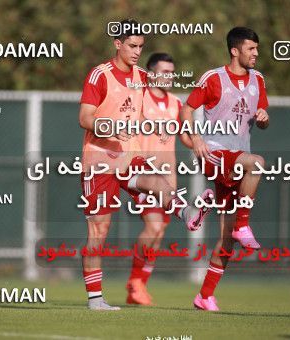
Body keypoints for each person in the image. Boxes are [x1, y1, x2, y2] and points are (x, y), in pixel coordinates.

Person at [79, 19, 212, 311]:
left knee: (154, 177)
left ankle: (185, 210)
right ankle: (95, 299)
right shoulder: (99, 75)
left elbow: (164, 113)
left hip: (129, 156)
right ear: (117, 44)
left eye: (141, 46)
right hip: (98, 161)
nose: (137, 51)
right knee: (98, 232)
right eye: (132, 45)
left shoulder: (142, 77)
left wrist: (198, 141)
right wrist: (111, 127)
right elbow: (85, 118)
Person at [180, 26, 269, 311]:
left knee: (227, 241)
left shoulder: (259, 81)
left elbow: (263, 119)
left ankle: (204, 296)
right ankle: (243, 222)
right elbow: (186, 109)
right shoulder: (213, 78)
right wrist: (195, 139)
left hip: (237, 162)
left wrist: (265, 118)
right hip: (215, 153)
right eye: (251, 48)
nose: (256, 53)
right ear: (235, 50)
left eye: (257, 48)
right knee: (258, 163)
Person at [126, 52, 193, 305]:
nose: (169, 76)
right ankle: (135, 281)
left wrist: (196, 140)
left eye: (172, 72)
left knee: (160, 231)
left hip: (168, 179)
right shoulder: (139, 97)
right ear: (151, 73)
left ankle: (139, 286)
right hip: (144, 175)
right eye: (164, 72)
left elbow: (185, 136)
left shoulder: (176, 103)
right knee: (153, 226)